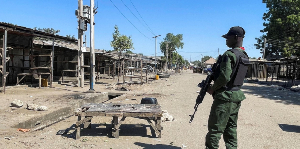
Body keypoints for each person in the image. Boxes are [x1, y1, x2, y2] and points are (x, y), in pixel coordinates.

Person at [205, 26, 249, 149]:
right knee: (231, 129)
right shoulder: (244, 55)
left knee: (215, 130)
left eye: (227, 38)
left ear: (235, 37)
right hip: (236, 96)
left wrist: (212, 88)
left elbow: (224, 77)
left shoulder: (229, 55)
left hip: (225, 97)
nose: (226, 40)